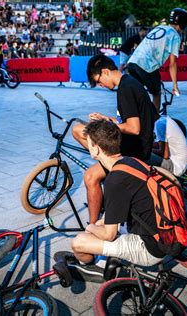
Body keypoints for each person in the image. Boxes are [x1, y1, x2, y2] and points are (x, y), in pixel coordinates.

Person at [54, 119, 165, 278]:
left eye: (90, 143)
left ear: (97, 149)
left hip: (150, 248)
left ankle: (90, 268)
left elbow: (109, 235)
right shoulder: (131, 161)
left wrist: (90, 227)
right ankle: (102, 255)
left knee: (78, 242)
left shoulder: (114, 180)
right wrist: (99, 224)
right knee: (101, 223)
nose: (88, 146)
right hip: (159, 231)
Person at [71, 54, 157, 224]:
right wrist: (107, 119)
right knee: (80, 130)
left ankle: (93, 226)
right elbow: (134, 119)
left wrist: (108, 126)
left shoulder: (125, 89)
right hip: (138, 144)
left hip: (134, 151)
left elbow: (133, 128)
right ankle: (105, 164)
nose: (101, 85)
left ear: (105, 71)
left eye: (99, 81)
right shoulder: (130, 82)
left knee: (90, 176)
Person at [127, 8, 187, 112]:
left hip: (132, 62)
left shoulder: (160, 27)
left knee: (137, 92)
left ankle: (135, 116)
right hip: (147, 65)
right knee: (156, 93)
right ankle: (153, 121)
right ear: (183, 23)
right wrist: (175, 85)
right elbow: (172, 63)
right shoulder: (175, 35)